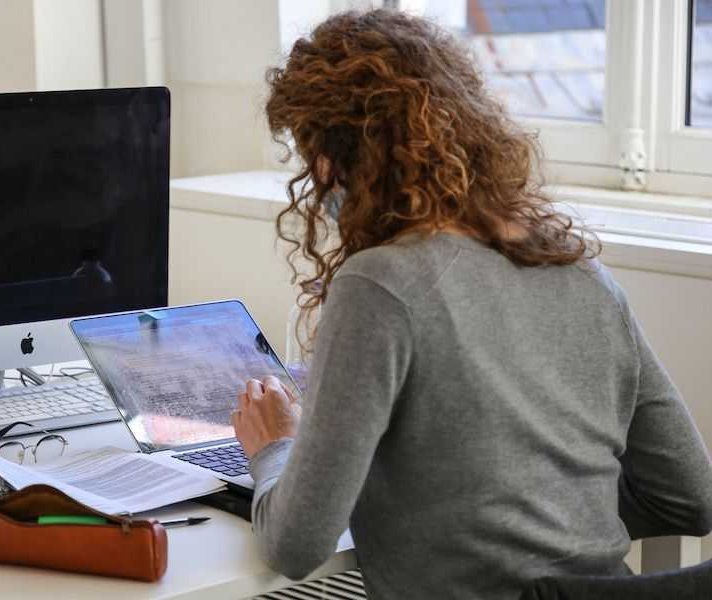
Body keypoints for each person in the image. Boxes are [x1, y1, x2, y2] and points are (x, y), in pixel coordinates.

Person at [230, 9, 712, 600]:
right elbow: (690, 497)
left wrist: (276, 445)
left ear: (340, 160)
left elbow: (295, 548)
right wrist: (536, 515)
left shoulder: (378, 285)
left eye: (313, 158)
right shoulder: (584, 276)